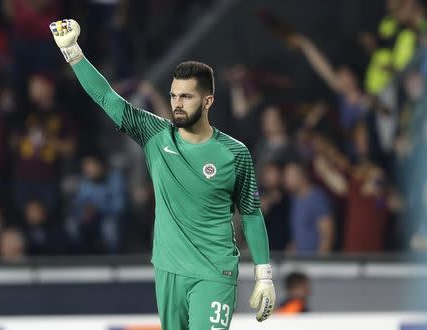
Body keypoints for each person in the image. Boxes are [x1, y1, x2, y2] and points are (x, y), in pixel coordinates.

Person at [49, 19, 275, 329]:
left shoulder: (234, 153)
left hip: (214, 273)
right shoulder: (156, 134)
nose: (177, 104)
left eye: (186, 97)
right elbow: (107, 97)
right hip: (168, 270)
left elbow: (250, 214)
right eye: (173, 96)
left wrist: (264, 274)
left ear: (207, 101)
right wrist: (72, 52)